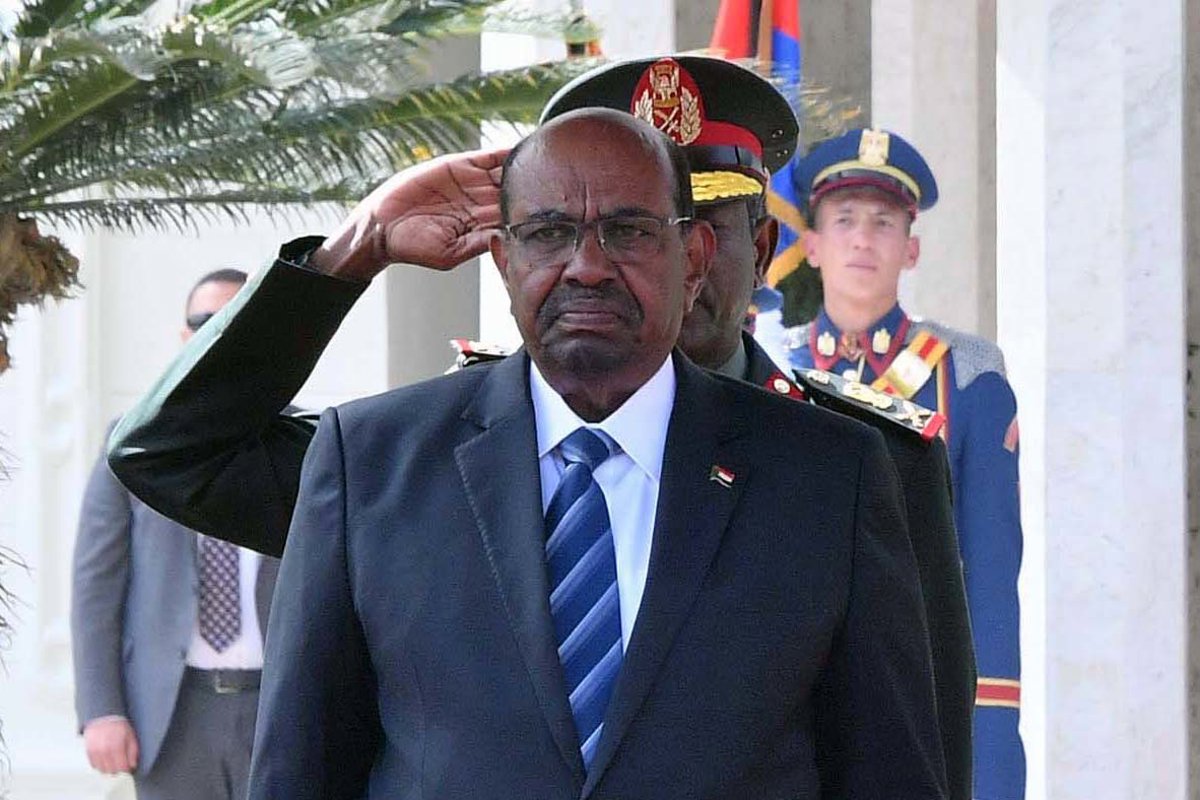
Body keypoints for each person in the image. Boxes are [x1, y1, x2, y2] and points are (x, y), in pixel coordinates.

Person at [106, 56, 975, 799]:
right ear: (512, 250)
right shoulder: (403, 462)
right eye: (555, 228)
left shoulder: (850, 471)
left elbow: (911, 759)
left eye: (644, 227)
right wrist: (353, 249)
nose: (596, 266)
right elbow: (175, 454)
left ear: (733, 247)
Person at [786, 127, 1025, 799]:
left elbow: (989, 576)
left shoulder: (968, 378)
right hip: (793, 707)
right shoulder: (765, 367)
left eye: (884, 223)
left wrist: (990, 759)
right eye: (844, 220)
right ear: (812, 245)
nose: (863, 239)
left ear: (911, 249)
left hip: (922, 708)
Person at [70, 269, 280, 800]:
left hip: (278, 706)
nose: (220, 333)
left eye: (237, 320)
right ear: (185, 336)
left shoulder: (306, 439)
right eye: (206, 322)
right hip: (172, 714)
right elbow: (96, 583)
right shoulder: (133, 442)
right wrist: (102, 709)